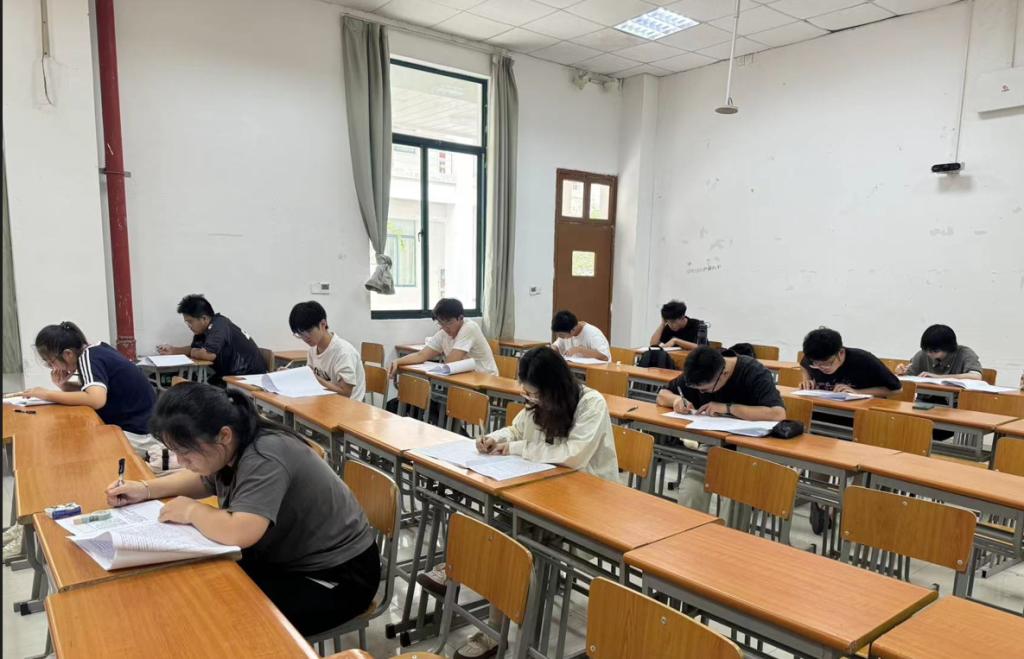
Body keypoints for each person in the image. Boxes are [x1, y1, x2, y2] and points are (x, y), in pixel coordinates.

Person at [105, 383, 380, 637]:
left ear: (223, 435)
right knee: (193, 590)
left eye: (186, 453)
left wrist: (191, 512)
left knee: (227, 622)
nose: (181, 461)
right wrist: (146, 489)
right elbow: (202, 480)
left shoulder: (265, 454)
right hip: (285, 557)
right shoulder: (232, 444)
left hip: (336, 576)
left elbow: (241, 531)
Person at [429, 346, 619, 659]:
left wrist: (516, 448)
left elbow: (573, 455)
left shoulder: (591, 403)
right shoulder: (538, 403)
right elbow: (517, 430)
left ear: (552, 388)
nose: (528, 399)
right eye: (525, 392)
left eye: (532, 394)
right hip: (544, 491)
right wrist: (496, 439)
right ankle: (470, 588)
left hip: (587, 501)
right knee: (496, 529)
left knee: (510, 542)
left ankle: (490, 621)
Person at [656, 347, 785, 513]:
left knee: (732, 495)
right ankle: (691, 529)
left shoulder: (754, 372)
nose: (700, 393)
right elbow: (662, 394)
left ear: (723, 374)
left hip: (751, 448)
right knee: (691, 490)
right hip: (715, 445)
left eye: (704, 390)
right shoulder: (701, 366)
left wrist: (728, 408)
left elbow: (778, 413)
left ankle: (726, 530)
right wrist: (675, 400)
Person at [24, 321, 159, 455]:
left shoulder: (88, 358)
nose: (53, 368)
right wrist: (64, 386)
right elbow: (93, 392)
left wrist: (46, 394)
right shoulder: (97, 350)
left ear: (68, 354)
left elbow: (96, 399)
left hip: (140, 436)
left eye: (51, 362)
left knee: (72, 444)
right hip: (145, 428)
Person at [157, 294, 265, 385]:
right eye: (186, 322)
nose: (188, 326)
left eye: (190, 321)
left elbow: (208, 354)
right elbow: (195, 349)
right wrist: (173, 350)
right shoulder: (202, 331)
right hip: (230, 375)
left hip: (249, 377)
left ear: (204, 318)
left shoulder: (219, 325)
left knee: (200, 392)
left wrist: (195, 351)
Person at [387, 298, 498, 378]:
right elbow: (421, 355)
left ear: (460, 318)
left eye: (449, 322)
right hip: (466, 378)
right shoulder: (443, 332)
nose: (445, 328)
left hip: (486, 379)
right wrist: (398, 361)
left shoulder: (469, 328)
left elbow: (451, 362)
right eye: (441, 323)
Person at [288, 301, 365, 401]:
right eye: (300, 334)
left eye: (308, 331)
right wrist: (290, 375)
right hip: (324, 401)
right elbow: (308, 377)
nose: (305, 338)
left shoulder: (343, 352)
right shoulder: (313, 350)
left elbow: (345, 393)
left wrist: (314, 378)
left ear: (323, 324)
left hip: (348, 407)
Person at [799, 327, 901, 396]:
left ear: (841, 353)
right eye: (817, 364)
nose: (822, 368)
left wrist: (857, 392)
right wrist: (807, 380)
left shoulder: (864, 360)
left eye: (828, 363)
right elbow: (803, 365)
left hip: (859, 412)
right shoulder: (813, 356)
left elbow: (897, 389)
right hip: (824, 407)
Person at [894, 325, 983, 380]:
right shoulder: (923, 354)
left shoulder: (965, 354)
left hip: (957, 401)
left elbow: (976, 377)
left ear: (948, 348)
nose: (929, 354)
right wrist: (901, 372)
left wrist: (938, 377)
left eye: (935, 351)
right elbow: (908, 376)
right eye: (926, 350)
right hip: (924, 398)